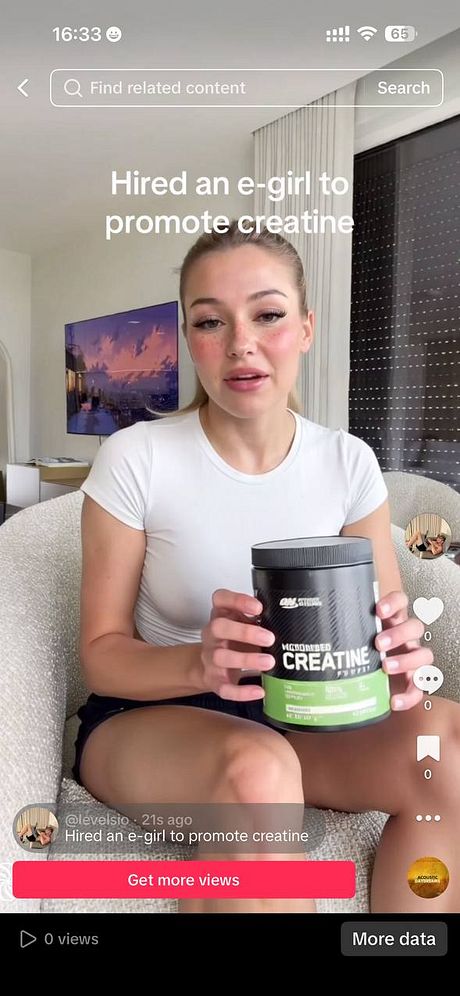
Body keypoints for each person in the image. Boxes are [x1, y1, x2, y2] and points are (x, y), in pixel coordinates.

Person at [73, 222, 460, 914]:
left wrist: (397, 658)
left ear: (306, 327)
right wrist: (201, 663)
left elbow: (384, 632)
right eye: (210, 321)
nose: (240, 343)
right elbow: (102, 657)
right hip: (153, 718)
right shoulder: (137, 458)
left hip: (303, 714)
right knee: (259, 773)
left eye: (268, 315)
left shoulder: (348, 463)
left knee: (448, 744)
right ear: (189, 338)